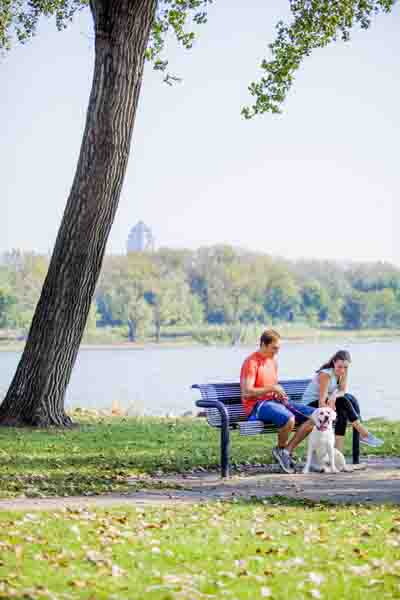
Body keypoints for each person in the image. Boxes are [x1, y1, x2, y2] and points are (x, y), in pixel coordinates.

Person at [240, 329, 315, 474]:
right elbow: (246, 392)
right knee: (289, 418)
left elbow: (270, 387)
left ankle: (286, 451)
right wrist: (272, 388)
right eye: (274, 348)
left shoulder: (272, 362)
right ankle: (281, 449)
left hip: (274, 402)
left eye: (278, 348)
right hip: (257, 406)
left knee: (315, 416)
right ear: (263, 344)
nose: (277, 352)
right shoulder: (251, 362)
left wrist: (278, 393)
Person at [301, 349, 383, 450]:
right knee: (343, 401)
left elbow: (342, 391)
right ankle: (364, 434)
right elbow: (321, 402)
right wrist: (330, 409)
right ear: (334, 362)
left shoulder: (343, 371)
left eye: (345, 367)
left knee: (343, 412)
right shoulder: (325, 374)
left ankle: (337, 453)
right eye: (340, 366)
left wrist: (333, 397)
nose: (342, 370)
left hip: (328, 402)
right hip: (311, 405)